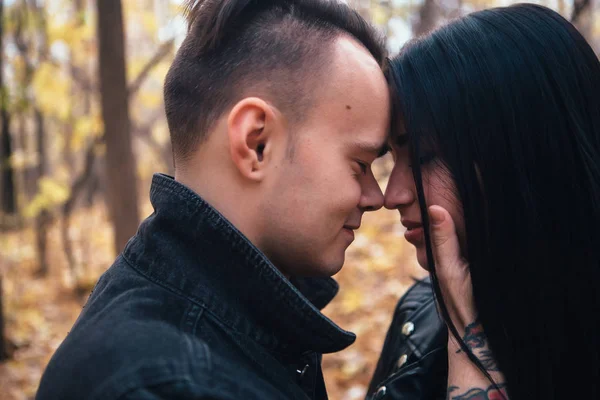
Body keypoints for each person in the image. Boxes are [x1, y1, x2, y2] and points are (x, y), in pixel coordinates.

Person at [36, 1, 391, 399]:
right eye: (360, 164)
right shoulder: (168, 387)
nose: (378, 197)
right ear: (257, 143)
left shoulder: (212, 323)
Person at [368, 4, 600, 400]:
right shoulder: (420, 313)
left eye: (423, 155)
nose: (392, 195)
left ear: (524, 155)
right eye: (391, 157)